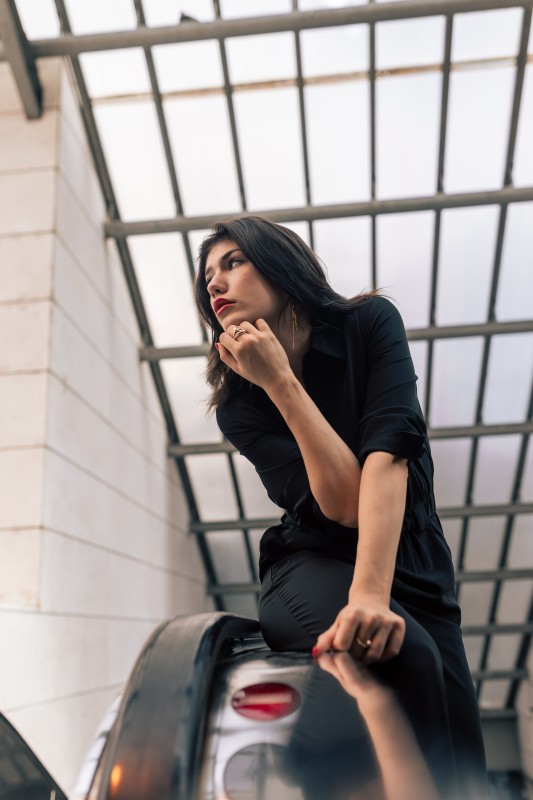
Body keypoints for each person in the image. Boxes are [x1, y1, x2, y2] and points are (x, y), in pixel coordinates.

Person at [194, 215, 487, 798]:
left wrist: (374, 593)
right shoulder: (239, 404)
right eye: (206, 278)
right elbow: (343, 507)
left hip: (415, 564)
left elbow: (387, 458)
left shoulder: (370, 323)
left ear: (280, 264)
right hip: (313, 563)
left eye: (232, 263)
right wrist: (278, 383)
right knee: (403, 656)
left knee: (465, 760)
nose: (214, 285)